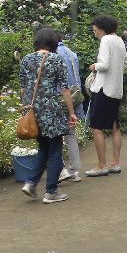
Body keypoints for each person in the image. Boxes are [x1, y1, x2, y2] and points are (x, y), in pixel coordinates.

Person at [19, 28, 78, 203]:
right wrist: (72, 112)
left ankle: (30, 183)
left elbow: (23, 88)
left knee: (43, 148)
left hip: (33, 111)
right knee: (55, 151)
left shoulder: (26, 60)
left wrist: (28, 110)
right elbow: (65, 89)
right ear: (53, 42)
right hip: (51, 110)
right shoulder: (56, 59)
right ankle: (51, 191)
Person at [85, 14, 127, 177]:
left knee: (96, 127)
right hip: (116, 90)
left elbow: (104, 65)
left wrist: (94, 66)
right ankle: (115, 163)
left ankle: (101, 165)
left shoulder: (106, 40)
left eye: (94, 27)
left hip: (103, 89)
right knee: (115, 126)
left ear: (101, 27)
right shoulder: (119, 40)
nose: (93, 30)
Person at [56, 35, 85, 182]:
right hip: (75, 97)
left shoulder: (54, 55)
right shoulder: (71, 53)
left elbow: (60, 83)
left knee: (56, 137)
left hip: (61, 98)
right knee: (70, 134)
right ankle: (74, 170)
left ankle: (61, 170)